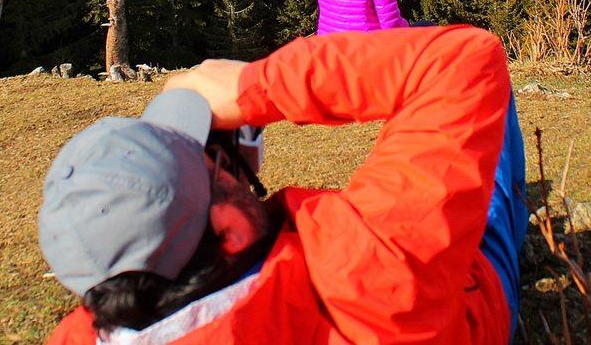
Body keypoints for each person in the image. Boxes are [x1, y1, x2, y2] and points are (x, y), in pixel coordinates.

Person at [41, 26, 527, 344]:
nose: (225, 158)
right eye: (214, 163)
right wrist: (257, 86)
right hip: (465, 306)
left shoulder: (80, 335)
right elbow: (461, 60)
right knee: (492, 136)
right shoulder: (362, 275)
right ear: (229, 228)